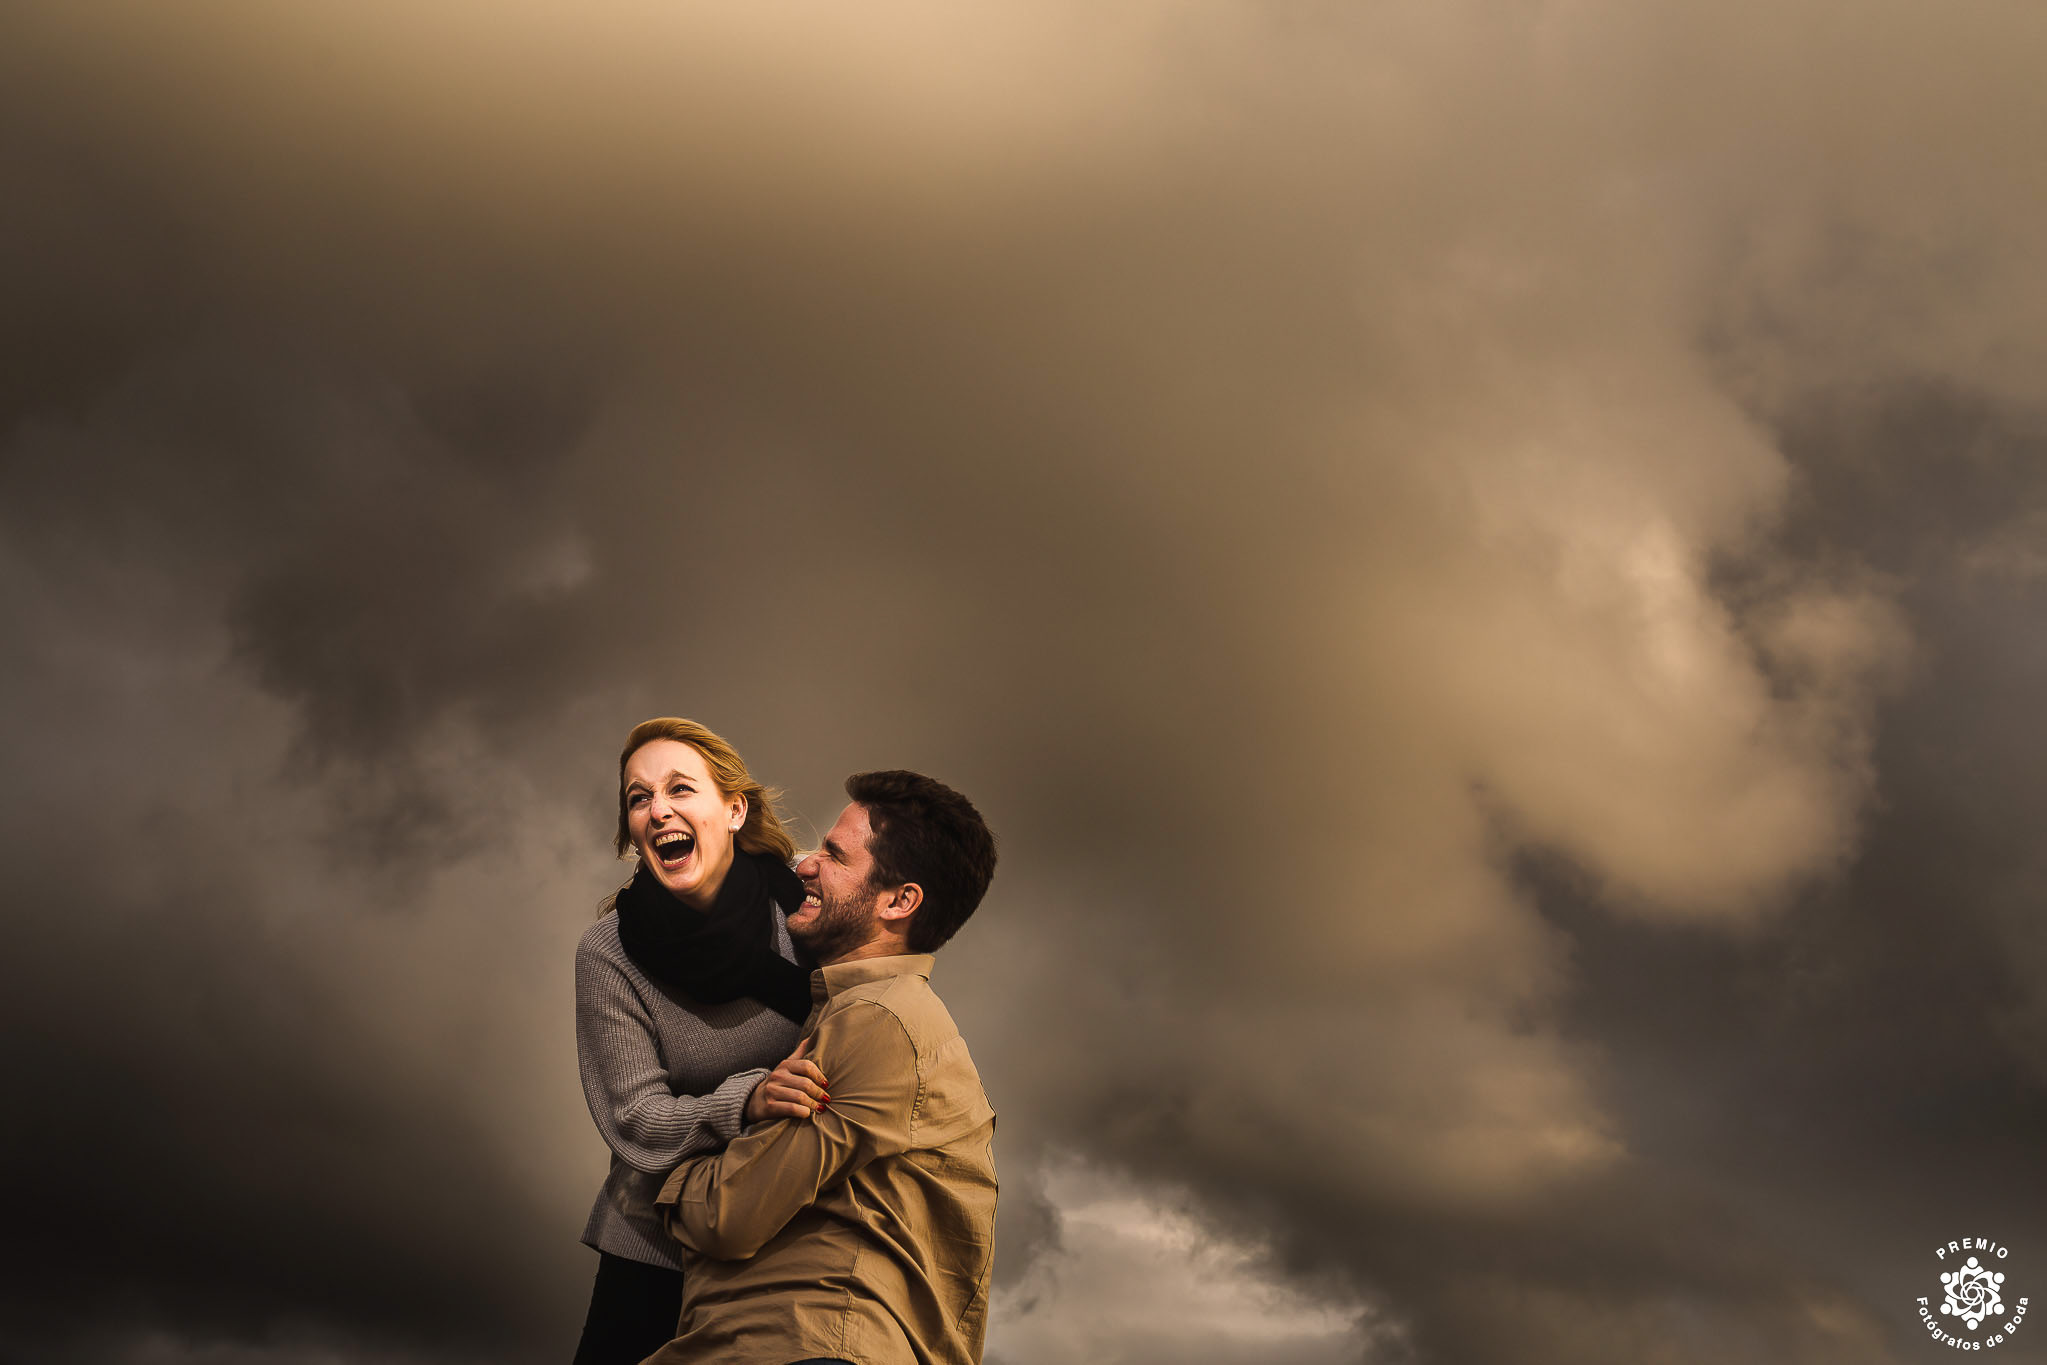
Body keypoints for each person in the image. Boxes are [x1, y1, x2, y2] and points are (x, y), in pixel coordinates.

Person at [644, 769, 1001, 1365]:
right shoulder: (852, 1015)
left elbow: (729, 1215)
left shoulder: (880, 1021)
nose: (804, 865)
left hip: (812, 1347)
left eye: (835, 855)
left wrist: (672, 1179)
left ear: (898, 901)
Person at [572, 718, 832, 1365]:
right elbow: (636, 1120)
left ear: (734, 808)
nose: (658, 809)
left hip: (790, 1228)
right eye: (638, 797)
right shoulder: (608, 952)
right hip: (657, 1243)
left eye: (680, 788)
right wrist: (747, 1101)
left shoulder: (804, 911)